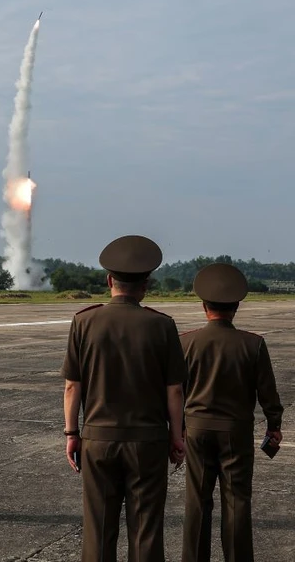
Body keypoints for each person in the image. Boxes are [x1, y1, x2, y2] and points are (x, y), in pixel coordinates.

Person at [61, 235, 187, 562]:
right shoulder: (162, 325)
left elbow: (72, 386)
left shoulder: (84, 322)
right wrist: (177, 437)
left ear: (108, 281)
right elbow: (174, 390)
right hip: (148, 442)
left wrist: (71, 433)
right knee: (146, 530)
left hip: (98, 439)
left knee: (98, 530)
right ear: (146, 285)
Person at [180, 263, 284, 562]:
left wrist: (176, 429)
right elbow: (268, 393)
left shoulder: (186, 342)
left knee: (197, 503)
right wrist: (274, 425)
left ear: (204, 306)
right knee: (237, 502)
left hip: (196, 430)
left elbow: (175, 391)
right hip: (236, 432)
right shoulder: (253, 344)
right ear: (236, 307)